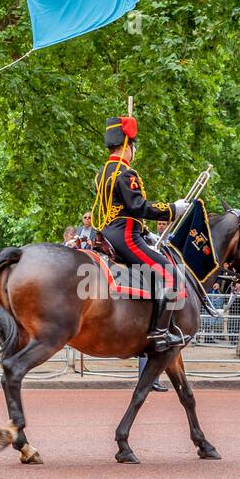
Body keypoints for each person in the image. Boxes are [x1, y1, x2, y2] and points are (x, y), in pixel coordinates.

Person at [92, 115, 190, 350]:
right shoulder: (126, 173)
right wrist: (172, 209)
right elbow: (139, 207)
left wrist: (147, 233)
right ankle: (160, 334)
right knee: (172, 276)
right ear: (128, 146)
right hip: (126, 237)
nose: (134, 151)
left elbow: (122, 210)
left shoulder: (102, 173)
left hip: (110, 232)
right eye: (133, 146)